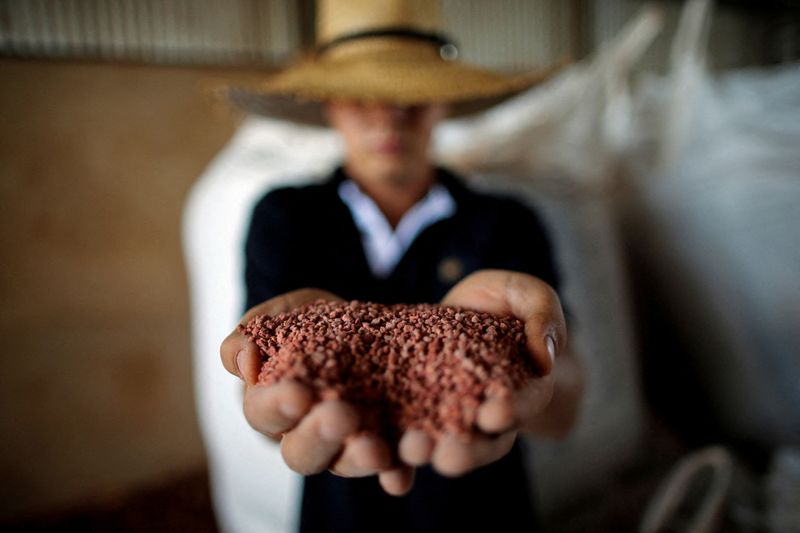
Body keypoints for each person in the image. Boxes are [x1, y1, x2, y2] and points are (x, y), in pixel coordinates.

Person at [219, 0, 584, 531]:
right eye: (360, 95)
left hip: (484, 511)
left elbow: (569, 396)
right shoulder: (285, 216)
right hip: (340, 514)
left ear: (442, 103)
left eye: (410, 94)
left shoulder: (506, 221)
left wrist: (544, 375)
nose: (388, 114)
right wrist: (270, 386)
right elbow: (258, 380)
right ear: (329, 105)